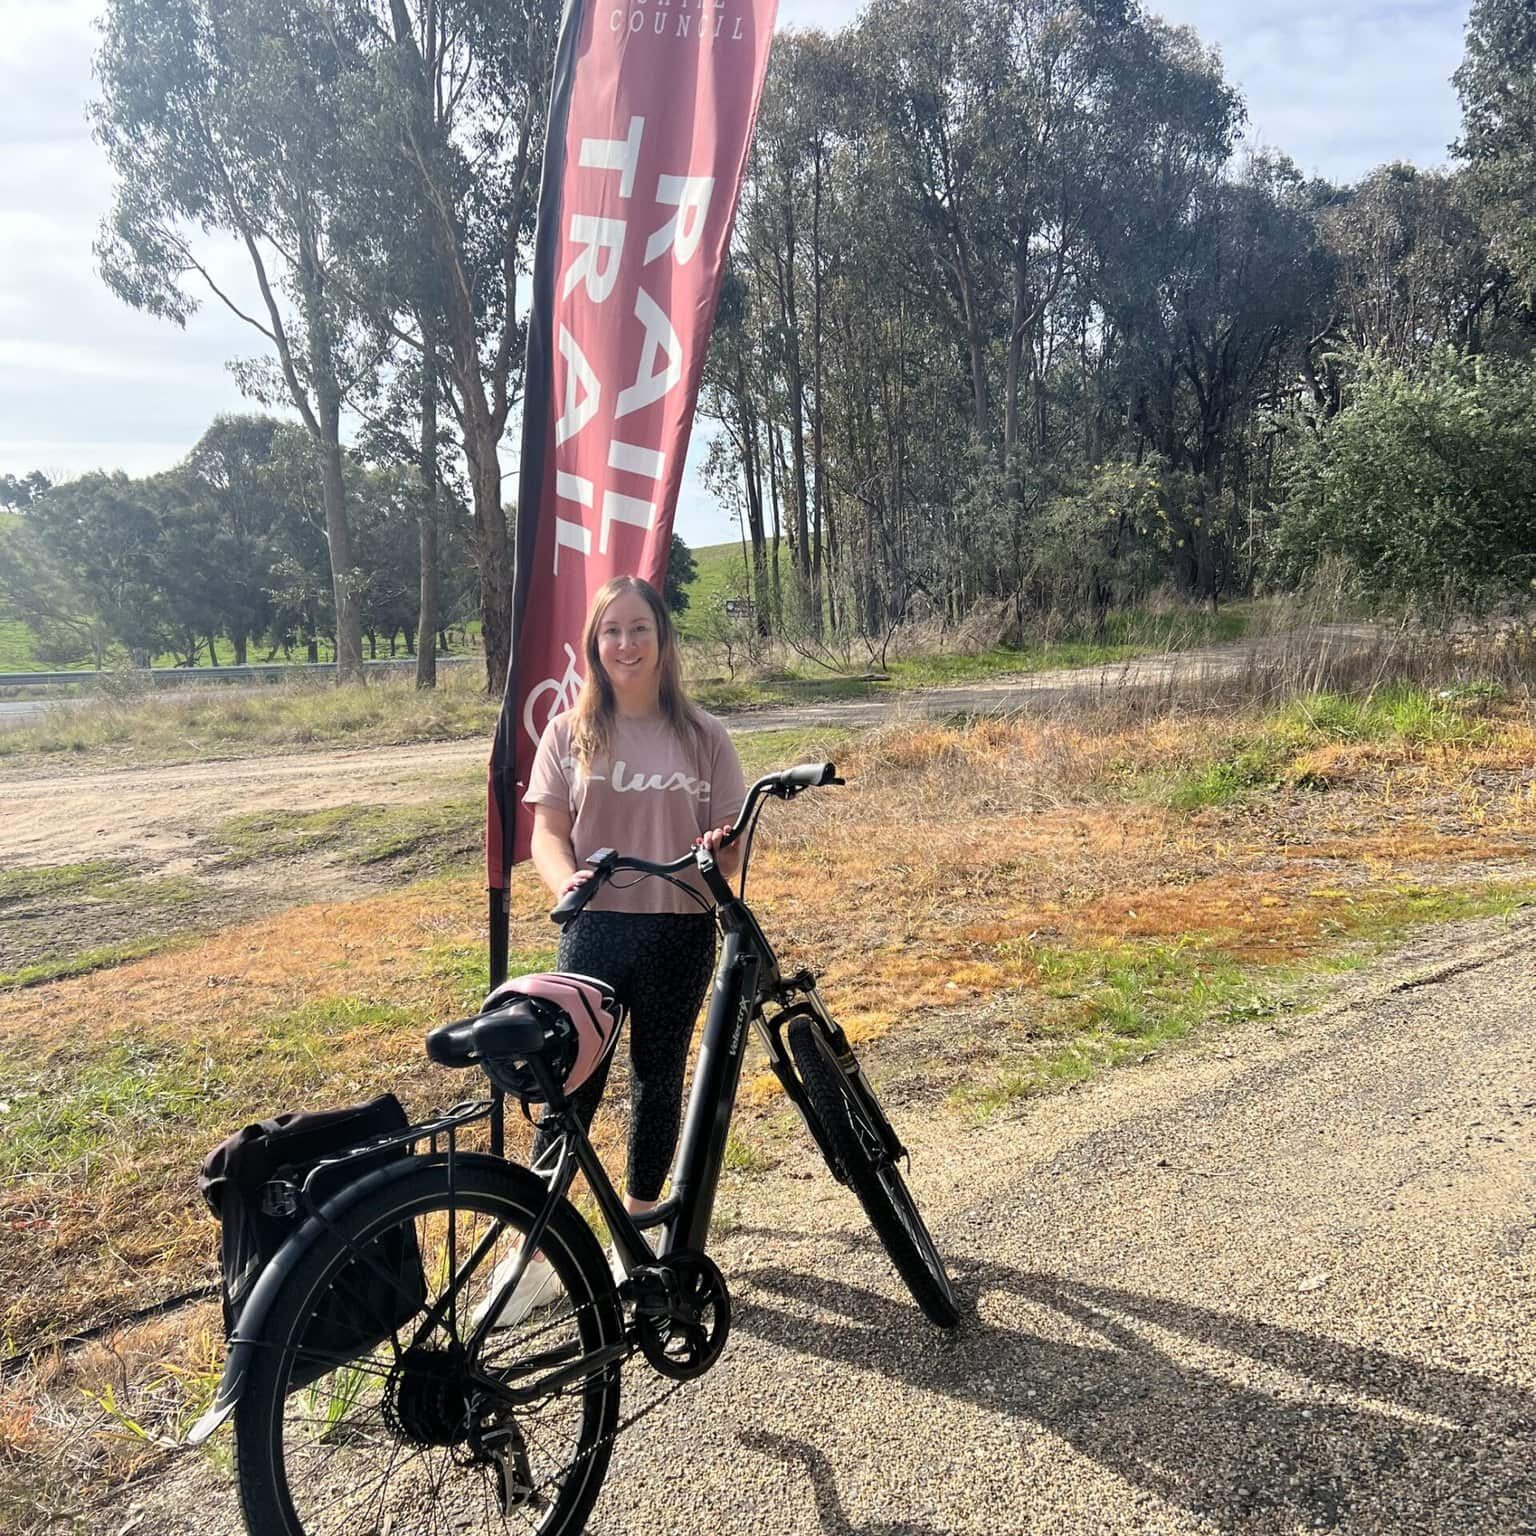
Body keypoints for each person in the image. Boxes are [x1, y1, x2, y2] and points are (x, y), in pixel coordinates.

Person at [486, 575, 745, 1323]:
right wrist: (567, 885)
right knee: (569, 1090)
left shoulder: (704, 736)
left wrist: (721, 847)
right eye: (611, 632)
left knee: (658, 1079)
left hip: (680, 928)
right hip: (594, 928)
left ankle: (640, 1238)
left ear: (663, 639)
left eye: (639, 629)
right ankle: (533, 1256)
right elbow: (547, 832)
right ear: (594, 647)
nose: (626, 644)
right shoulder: (570, 732)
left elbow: (727, 852)